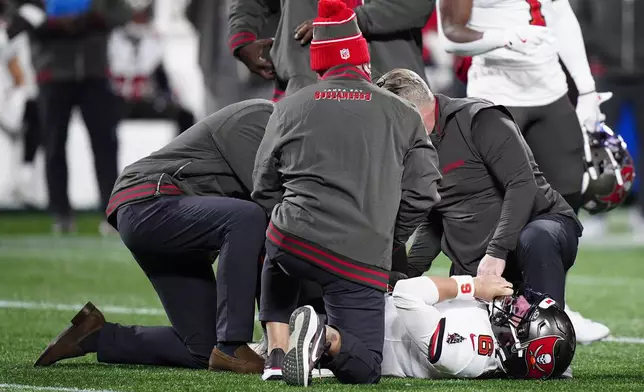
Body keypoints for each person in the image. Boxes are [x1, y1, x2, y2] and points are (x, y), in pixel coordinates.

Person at [252, 1, 441, 386]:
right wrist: (390, 236)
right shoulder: (404, 114)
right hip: (358, 256)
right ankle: (324, 337)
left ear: (318, 65)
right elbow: (424, 191)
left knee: (275, 237)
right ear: (365, 62)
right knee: (367, 366)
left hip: (293, 243)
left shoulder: (288, 108)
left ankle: (277, 349)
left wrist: (288, 219)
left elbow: (263, 185)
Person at [34, 99, 273, 374]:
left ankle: (96, 335)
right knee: (249, 217)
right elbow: (274, 227)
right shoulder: (260, 117)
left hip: (167, 218)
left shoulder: (282, 140)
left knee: (204, 350)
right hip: (149, 200)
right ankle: (232, 346)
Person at [435, 0, 611, 344]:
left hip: (551, 90)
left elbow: (560, 16)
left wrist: (586, 89)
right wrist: (505, 36)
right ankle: (490, 301)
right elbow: (451, 34)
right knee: (491, 202)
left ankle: (555, 302)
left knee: (563, 199)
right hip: (494, 95)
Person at [377, 68, 581, 327]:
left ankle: (551, 343)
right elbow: (434, 220)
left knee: (536, 237)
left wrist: (497, 251)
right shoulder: (413, 148)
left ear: (409, 114)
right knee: (470, 348)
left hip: (539, 229)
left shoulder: (481, 119)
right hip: (479, 257)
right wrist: (406, 277)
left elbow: (521, 185)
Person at [228, 0, 433, 100]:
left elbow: (418, 4)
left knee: (397, 176)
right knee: (303, 176)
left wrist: (349, 20)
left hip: (387, 80)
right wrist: (242, 36)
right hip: (304, 80)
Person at [383, 275, 576, 380]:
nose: (518, 303)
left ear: (517, 345)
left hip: (365, 324)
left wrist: (472, 286)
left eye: (522, 312)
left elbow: (406, 292)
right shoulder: (493, 333)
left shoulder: (467, 353)